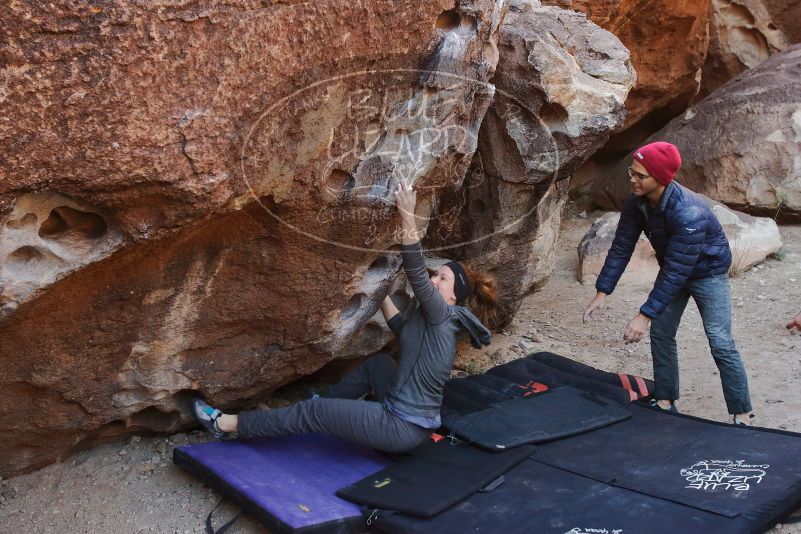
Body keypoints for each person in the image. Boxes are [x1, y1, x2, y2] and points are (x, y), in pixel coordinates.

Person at [191, 177, 497, 452]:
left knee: (314, 416)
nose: (433, 279)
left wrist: (407, 213)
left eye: (442, 278)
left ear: (454, 295)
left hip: (399, 426)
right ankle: (325, 405)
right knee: (378, 365)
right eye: (437, 274)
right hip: (412, 423)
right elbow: (402, 327)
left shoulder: (443, 312)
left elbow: (416, 269)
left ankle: (226, 425)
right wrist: (378, 290)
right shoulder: (433, 320)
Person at [583, 141, 754, 425]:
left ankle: (742, 412)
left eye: (640, 175)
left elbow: (676, 272)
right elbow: (621, 247)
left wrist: (644, 315)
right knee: (662, 334)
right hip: (676, 268)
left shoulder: (689, 211)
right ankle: (665, 400)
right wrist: (603, 291)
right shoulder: (636, 203)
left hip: (707, 272)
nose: (632, 179)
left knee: (720, 341)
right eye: (632, 172)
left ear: (661, 178)